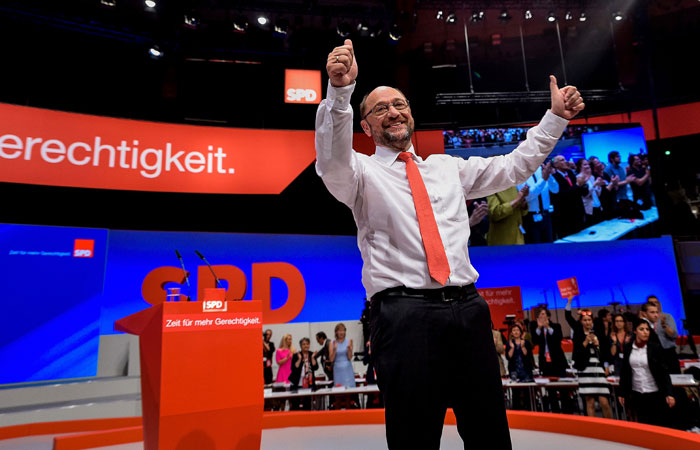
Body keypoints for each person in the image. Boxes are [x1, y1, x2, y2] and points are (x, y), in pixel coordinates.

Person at [316, 39, 583, 450]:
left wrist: (554, 119)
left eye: (400, 104)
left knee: (489, 430)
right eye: (381, 108)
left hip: (469, 311)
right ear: (365, 127)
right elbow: (331, 158)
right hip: (403, 317)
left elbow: (512, 166)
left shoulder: (446, 168)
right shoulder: (359, 174)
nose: (394, 111)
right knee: (414, 437)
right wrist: (339, 92)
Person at [618, 319, 676, 426]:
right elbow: (625, 371)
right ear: (635, 331)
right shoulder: (628, 348)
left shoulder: (655, 348)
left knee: (658, 424)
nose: (645, 332)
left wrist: (669, 393)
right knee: (643, 424)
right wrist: (622, 392)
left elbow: (663, 372)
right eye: (641, 329)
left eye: (647, 329)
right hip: (637, 392)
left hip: (655, 392)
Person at [564, 299, 613, 419]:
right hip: (585, 370)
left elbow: (605, 351)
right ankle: (593, 428)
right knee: (589, 402)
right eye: (585, 320)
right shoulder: (578, 333)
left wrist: (598, 346)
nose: (587, 322)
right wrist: (569, 301)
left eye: (589, 320)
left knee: (604, 402)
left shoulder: (598, 333)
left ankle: (611, 426)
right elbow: (567, 316)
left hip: (598, 369)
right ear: (581, 321)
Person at [517, 162, 558, 243]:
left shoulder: (541, 170)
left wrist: (549, 176)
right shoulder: (519, 173)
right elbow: (527, 196)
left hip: (546, 214)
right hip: (530, 216)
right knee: (535, 246)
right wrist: (543, 180)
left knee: (549, 245)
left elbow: (555, 189)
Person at [550, 154, 588, 239]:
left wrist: (584, 184)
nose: (566, 162)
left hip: (578, 212)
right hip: (566, 216)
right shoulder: (554, 178)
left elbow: (580, 192)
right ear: (556, 165)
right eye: (562, 160)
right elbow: (564, 195)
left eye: (565, 159)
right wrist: (578, 185)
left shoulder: (570, 174)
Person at [647, 295, 680, 373]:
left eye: (656, 302)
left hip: (668, 353)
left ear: (659, 304)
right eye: (651, 303)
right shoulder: (645, 320)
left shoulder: (667, 317)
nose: (654, 304)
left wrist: (664, 325)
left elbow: (674, 335)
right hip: (652, 355)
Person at [289, 337, 319, 410]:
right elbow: (293, 369)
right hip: (297, 383)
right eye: (304, 344)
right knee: (295, 405)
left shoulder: (312, 354)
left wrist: (312, 358)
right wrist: (299, 359)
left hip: (308, 383)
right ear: (301, 346)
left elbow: (315, 367)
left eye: (307, 344)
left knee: (307, 404)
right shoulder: (296, 355)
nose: (306, 346)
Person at [576, 158, 605, 226]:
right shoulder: (578, 178)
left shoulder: (592, 177)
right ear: (580, 167)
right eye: (585, 164)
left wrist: (598, 186)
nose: (588, 166)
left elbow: (598, 194)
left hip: (597, 205)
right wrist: (595, 184)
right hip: (589, 208)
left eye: (588, 164)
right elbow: (585, 195)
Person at [329, 323, 356, 388]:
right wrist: (335, 349)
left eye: (343, 330)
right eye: (339, 331)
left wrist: (349, 349)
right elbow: (331, 359)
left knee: (349, 391)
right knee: (338, 391)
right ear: (336, 332)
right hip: (337, 369)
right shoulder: (332, 342)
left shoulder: (349, 341)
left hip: (347, 369)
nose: (341, 332)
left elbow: (349, 357)